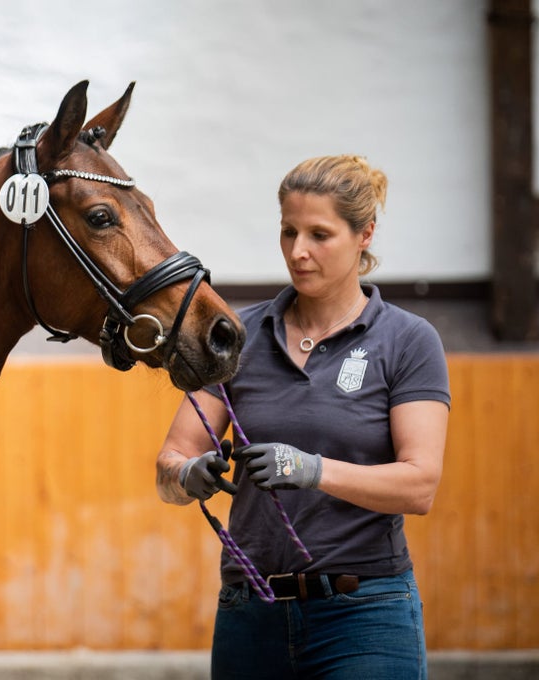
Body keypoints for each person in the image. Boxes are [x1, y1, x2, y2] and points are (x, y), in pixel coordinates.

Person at [155, 154, 450, 679]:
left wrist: (311, 469)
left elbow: (419, 486)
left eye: (319, 234)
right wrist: (188, 475)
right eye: (288, 231)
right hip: (251, 611)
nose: (298, 251)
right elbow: (169, 465)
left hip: (364, 615)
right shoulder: (236, 336)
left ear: (365, 235)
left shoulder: (407, 340)